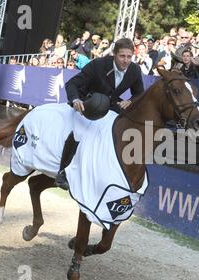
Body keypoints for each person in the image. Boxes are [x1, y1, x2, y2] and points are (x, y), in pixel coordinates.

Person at [55, 38, 144, 190]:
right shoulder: (98, 65)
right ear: (114, 54)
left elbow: (139, 94)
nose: (126, 61)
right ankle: (62, 173)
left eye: (129, 57)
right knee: (79, 131)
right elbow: (72, 84)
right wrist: (76, 99)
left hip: (110, 104)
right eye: (122, 56)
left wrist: (130, 101)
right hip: (87, 102)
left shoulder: (134, 70)